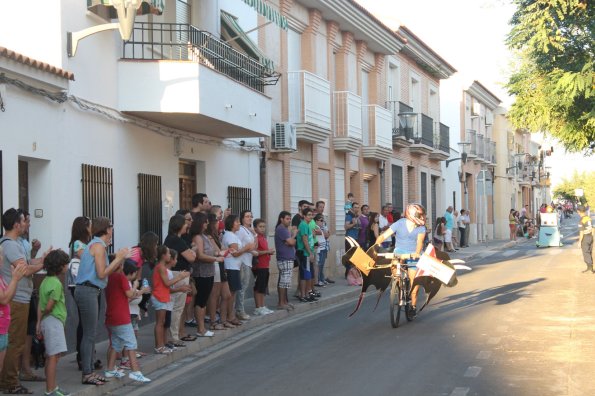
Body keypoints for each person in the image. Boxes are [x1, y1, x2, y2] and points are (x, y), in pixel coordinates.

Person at [74, 217, 127, 386]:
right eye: (111, 228)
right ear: (105, 229)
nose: (112, 232)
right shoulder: (97, 246)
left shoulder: (97, 245)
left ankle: (89, 370)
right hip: (88, 290)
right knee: (89, 334)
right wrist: (118, 259)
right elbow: (102, 273)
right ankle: (87, 373)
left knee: (91, 333)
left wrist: (118, 259)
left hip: (91, 290)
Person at [0, 208, 48, 394]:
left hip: (20, 297)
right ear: (15, 224)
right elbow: (24, 270)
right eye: (23, 221)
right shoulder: (11, 245)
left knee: (14, 341)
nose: (26, 224)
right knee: (15, 342)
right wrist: (46, 263)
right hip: (17, 299)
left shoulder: (15, 244)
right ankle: (10, 382)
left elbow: (26, 264)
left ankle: (9, 379)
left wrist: (41, 259)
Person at [103, 259, 151, 383]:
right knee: (131, 343)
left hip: (111, 316)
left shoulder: (109, 277)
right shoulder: (121, 277)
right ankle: (135, 372)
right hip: (122, 317)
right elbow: (130, 295)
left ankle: (110, 370)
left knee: (115, 343)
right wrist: (135, 286)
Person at [375, 203, 427, 317]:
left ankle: (413, 305)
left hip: (413, 254)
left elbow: (419, 243)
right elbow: (385, 234)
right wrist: (376, 244)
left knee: (414, 282)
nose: (423, 218)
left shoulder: (421, 228)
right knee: (395, 271)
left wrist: (417, 253)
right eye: (420, 215)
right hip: (399, 252)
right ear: (412, 215)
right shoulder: (399, 223)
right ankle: (398, 287)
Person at [36, 250, 70, 396]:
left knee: (52, 356)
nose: (67, 266)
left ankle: (53, 387)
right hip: (54, 322)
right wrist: (45, 315)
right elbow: (49, 306)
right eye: (66, 264)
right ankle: (50, 390)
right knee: (53, 357)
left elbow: (40, 305)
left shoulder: (44, 281)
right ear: (60, 266)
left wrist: (38, 322)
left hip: (47, 322)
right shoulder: (56, 283)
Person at [151, 246, 189, 354]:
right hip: (159, 296)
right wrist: (180, 276)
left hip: (163, 296)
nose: (169, 256)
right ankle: (159, 346)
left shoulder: (161, 267)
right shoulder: (161, 267)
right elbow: (167, 283)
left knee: (162, 322)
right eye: (168, 254)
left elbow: (167, 287)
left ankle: (161, 345)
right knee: (160, 323)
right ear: (163, 256)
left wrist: (180, 288)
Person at [190, 213, 223, 337]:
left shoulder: (204, 236)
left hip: (208, 272)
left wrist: (217, 253)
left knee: (204, 300)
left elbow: (210, 251)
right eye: (204, 222)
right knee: (201, 301)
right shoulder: (197, 237)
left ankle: (202, 327)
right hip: (201, 272)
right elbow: (200, 255)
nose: (207, 224)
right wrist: (215, 259)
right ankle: (201, 328)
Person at [0, 245, 27, 375]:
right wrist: (15, 279)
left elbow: (9, 296)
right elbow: (4, 299)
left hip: (3, 329)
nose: (1, 258)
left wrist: (14, 280)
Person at [205, 213, 233, 329]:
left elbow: (222, 248)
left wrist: (227, 250)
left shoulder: (215, 235)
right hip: (215, 265)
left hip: (221, 265)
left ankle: (223, 319)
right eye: (216, 221)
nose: (218, 223)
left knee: (226, 295)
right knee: (214, 295)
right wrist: (226, 251)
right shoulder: (209, 236)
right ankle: (213, 322)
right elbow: (218, 250)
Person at [222, 215, 249, 326]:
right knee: (231, 293)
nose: (239, 223)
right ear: (231, 223)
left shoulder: (232, 235)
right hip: (231, 266)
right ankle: (230, 316)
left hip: (234, 266)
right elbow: (235, 252)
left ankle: (230, 316)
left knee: (232, 292)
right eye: (237, 222)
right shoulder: (230, 236)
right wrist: (247, 248)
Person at [235, 211, 257, 321]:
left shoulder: (249, 230)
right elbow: (240, 246)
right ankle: (239, 310)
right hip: (242, 261)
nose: (249, 218)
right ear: (242, 218)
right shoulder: (241, 230)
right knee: (242, 287)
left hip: (248, 261)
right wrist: (250, 250)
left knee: (244, 285)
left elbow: (254, 246)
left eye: (251, 216)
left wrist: (255, 234)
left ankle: (240, 309)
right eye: (247, 216)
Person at [274, 211, 296, 311]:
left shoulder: (284, 229)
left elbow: (289, 243)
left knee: (285, 281)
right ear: (281, 219)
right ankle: (281, 303)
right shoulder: (281, 229)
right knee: (284, 281)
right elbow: (291, 242)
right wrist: (294, 236)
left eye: (290, 218)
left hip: (287, 258)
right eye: (287, 218)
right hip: (284, 258)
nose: (289, 220)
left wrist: (291, 241)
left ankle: (284, 301)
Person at [252, 219, 275, 315]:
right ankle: (258, 307)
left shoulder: (263, 237)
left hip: (265, 265)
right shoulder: (256, 238)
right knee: (258, 287)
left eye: (263, 227)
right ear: (255, 228)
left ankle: (262, 305)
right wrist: (267, 252)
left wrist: (268, 251)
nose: (262, 229)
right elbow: (255, 251)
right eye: (260, 227)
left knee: (263, 287)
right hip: (259, 266)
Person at [297, 208, 316, 302]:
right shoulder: (303, 225)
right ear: (304, 216)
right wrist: (310, 253)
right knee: (305, 275)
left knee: (308, 274)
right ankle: (303, 295)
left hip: (308, 252)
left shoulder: (307, 225)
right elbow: (305, 240)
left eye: (311, 215)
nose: (310, 217)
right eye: (308, 215)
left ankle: (308, 293)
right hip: (304, 253)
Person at [313, 214, 329, 287]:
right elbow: (321, 233)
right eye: (321, 220)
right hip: (319, 249)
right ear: (316, 221)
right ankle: (318, 280)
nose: (322, 222)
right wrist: (323, 232)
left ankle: (321, 279)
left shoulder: (321, 227)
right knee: (319, 265)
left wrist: (323, 231)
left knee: (322, 265)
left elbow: (327, 234)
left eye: (323, 221)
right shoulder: (316, 227)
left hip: (323, 247)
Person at [577, 205, 594, 273]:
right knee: (589, 252)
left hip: (585, 237)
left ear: (579, 212)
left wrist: (579, 242)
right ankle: (589, 268)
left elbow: (581, 232)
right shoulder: (588, 218)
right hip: (590, 236)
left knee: (586, 253)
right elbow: (593, 227)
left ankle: (590, 268)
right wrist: (592, 236)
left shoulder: (581, 220)